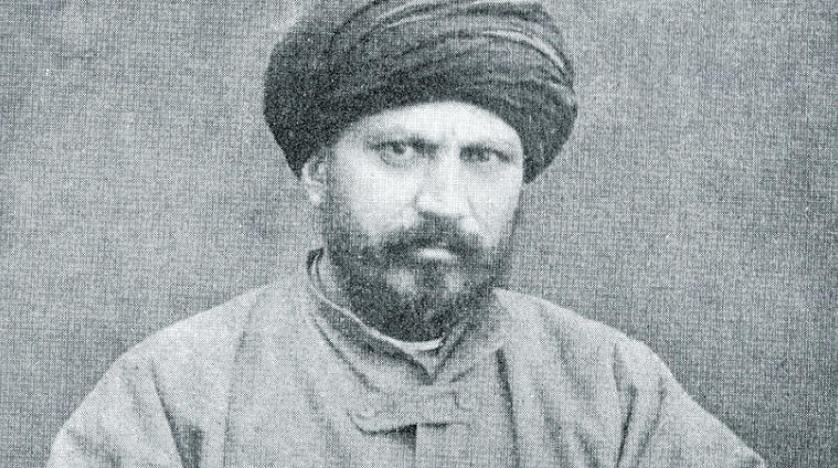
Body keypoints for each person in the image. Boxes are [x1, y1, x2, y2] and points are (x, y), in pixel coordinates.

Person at [48, 1, 765, 466]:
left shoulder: (614, 388)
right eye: (400, 151)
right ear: (318, 172)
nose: (444, 202)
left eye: (484, 158)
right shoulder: (171, 394)